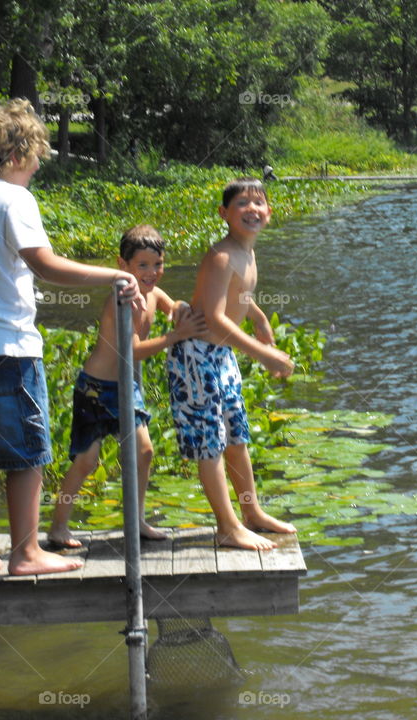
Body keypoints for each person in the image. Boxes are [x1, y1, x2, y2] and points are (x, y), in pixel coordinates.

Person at [0, 98, 144, 578]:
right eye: (38, 153)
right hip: (7, 347)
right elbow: (44, 265)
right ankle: (25, 553)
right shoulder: (13, 198)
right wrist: (113, 276)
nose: (41, 163)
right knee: (24, 453)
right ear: (17, 153)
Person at [47, 224, 207, 548]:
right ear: (123, 266)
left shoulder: (153, 293)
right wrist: (175, 336)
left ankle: (136, 520)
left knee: (144, 451)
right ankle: (58, 526)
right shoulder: (123, 301)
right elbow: (131, 349)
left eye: (157, 264)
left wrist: (181, 310)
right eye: (142, 266)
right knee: (87, 461)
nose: (151, 273)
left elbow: (169, 304)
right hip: (96, 388)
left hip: (126, 387)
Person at [167, 177, 296, 550]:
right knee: (211, 444)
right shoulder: (221, 255)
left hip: (220, 357)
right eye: (242, 203)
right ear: (224, 213)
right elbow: (216, 316)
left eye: (259, 203)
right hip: (196, 358)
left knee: (236, 438)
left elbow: (239, 296)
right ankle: (227, 526)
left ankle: (251, 513)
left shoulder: (247, 252)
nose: (252, 209)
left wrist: (258, 318)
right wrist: (262, 352)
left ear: (269, 213)